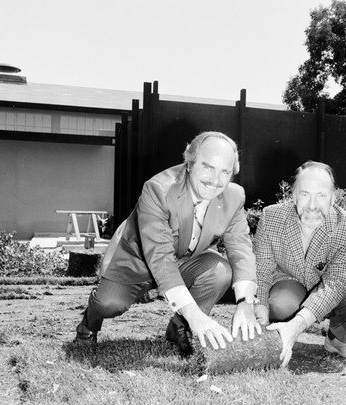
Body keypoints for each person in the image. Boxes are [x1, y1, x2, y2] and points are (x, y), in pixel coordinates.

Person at [74, 131, 261, 356]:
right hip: (139, 261)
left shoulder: (234, 196)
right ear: (190, 164)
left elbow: (241, 248)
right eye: (208, 167)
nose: (215, 180)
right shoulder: (158, 189)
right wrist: (195, 314)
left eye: (225, 172)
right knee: (108, 303)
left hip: (185, 262)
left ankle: (179, 328)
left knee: (221, 271)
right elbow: (160, 257)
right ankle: (88, 325)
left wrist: (245, 303)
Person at [253, 161, 346, 367]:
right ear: (293, 195)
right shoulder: (271, 216)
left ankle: (337, 341)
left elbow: (335, 284)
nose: (312, 205)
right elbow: (262, 270)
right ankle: (277, 331)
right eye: (304, 194)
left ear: (333, 198)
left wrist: (297, 325)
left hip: (331, 285)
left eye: (321, 195)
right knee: (280, 303)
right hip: (289, 282)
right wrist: (260, 314)